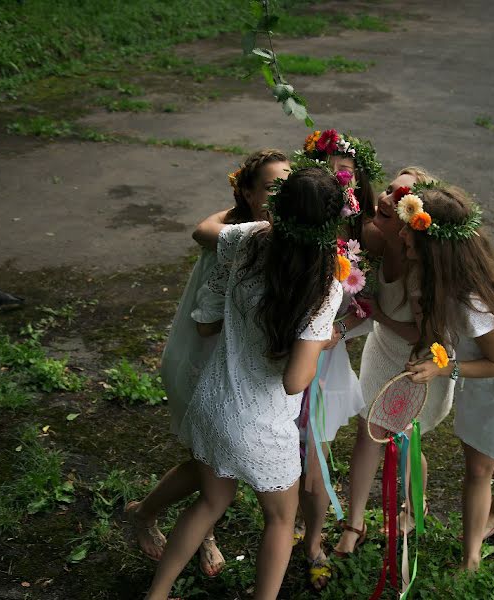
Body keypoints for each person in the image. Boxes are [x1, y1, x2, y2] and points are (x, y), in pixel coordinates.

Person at [142, 165, 346, 600]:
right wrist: (324, 341)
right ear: (332, 223)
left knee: (210, 503)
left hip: (214, 403)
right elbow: (295, 381)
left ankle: (156, 593)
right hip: (262, 425)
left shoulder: (248, 239)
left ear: (277, 206)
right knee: (279, 520)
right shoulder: (323, 287)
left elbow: (205, 325)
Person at [126, 150, 289, 577]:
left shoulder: (277, 236)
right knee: (210, 464)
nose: (282, 194)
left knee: (214, 467)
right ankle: (149, 515)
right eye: (272, 187)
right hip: (206, 363)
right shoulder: (236, 238)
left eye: (288, 185)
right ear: (249, 194)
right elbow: (207, 322)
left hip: (235, 369)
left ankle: (185, 524)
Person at [399, 182, 494, 571]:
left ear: (435, 247)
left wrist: (443, 367)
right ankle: (471, 555)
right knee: (478, 467)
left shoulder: (473, 304)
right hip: (477, 383)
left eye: (408, 231)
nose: (400, 235)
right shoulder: (436, 278)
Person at [333, 167, 456, 558]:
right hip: (383, 350)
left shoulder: (423, 267)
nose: (386, 198)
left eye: (400, 196)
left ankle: (412, 504)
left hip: (418, 364)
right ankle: (354, 523)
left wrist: (377, 316)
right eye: (388, 189)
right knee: (370, 431)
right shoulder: (374, 236)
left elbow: (427, 337)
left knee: (401, 438)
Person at [291, 129, 384, 590]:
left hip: (325, 365)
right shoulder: (290, 229)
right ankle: (279, 524)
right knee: (279, 453)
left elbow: (370, 307)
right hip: (281, 357)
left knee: (315, 461)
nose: (336, 185)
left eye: (343, 177)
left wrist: (338, 332)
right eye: (326, 177)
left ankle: (312, 541)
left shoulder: (363, 239)